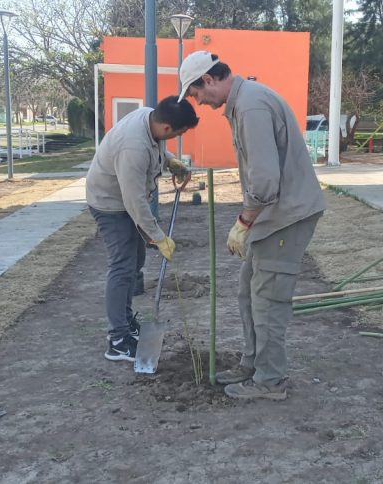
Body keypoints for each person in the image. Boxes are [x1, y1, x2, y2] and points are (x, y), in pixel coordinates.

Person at [179, 51, 326, 401]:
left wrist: (244, 221)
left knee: (268, 301)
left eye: (196, 93)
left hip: (286, 216)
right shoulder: (244, 103)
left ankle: (270, 381)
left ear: (210, 79)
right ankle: (253, 363)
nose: (197, 101)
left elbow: (264, 181)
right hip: (274, 215)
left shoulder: (251, 107)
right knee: (248, 291)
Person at [86, 96, 199, 362]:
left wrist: (169, 160)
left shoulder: (152, 117)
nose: (176, 138)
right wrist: (158, 237)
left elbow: (156, 146)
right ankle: (117, 340)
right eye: (179, 133)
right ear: (167, 128)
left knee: (135, 259)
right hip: (109, 203)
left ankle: (125, 322)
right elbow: (134, 202)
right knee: (122, 265)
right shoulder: (133, 148)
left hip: (123, 199)